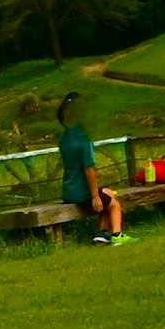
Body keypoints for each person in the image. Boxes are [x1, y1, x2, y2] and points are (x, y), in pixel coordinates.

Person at [58, 95, 125, 246]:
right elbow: (88, 169)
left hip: (69, 191)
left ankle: (102, 234)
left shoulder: (64, 138)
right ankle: (117, 235)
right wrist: (95, 196)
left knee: (107, 192)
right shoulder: (84, 138)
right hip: (83, 193)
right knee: (114, 204)